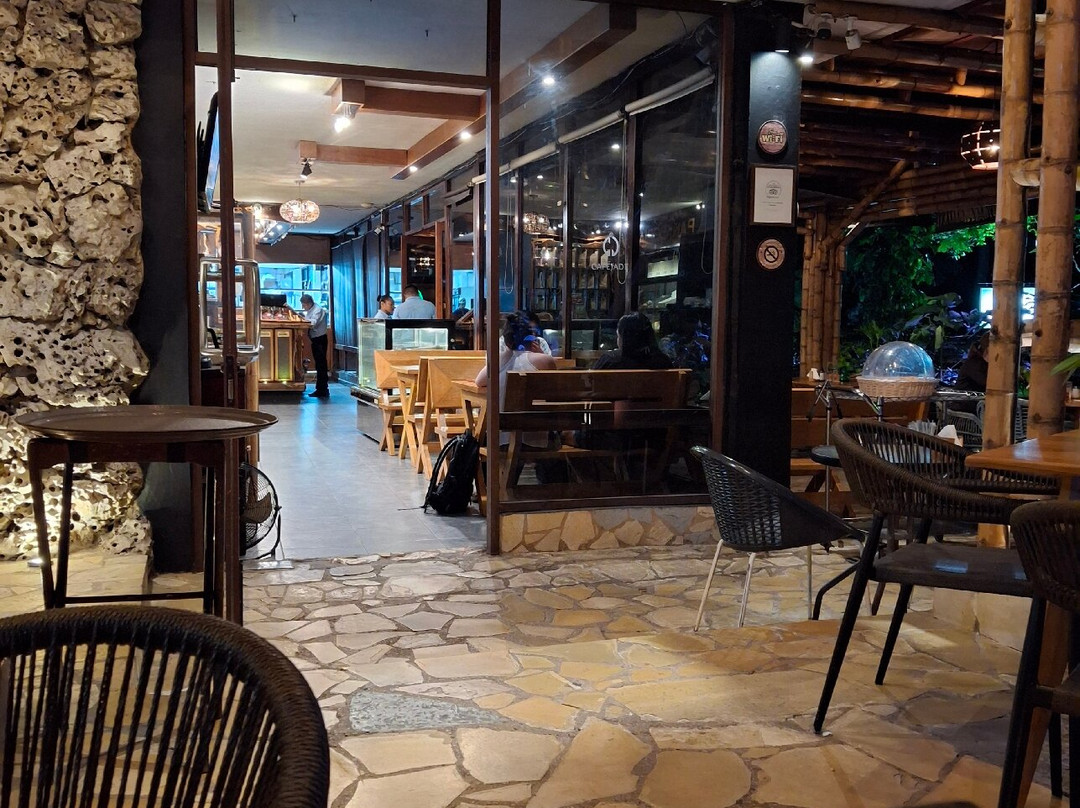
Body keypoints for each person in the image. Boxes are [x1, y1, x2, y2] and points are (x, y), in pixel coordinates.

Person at [476, 312, 557, 450]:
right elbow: (555, 391)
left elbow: (479, 381)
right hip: (536, 438)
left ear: (507, 339)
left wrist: (507, 351)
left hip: (500, 439)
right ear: (532, 337)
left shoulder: (498, 361)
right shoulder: (544, 360)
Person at [593, 311, 673, 370]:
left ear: (623, 338)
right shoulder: (663, 362)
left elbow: (590, 382)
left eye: (618, 335)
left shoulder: (609, 361)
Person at [297, 293, 329, 398]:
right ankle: (321, 388)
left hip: (320, 339)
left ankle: (322, 389)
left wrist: (303, 318)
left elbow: (312, 323)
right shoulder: (312, 310)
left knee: (321, 365)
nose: (303, 307)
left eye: (304, 305)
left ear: (309, 303)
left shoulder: (317, 310)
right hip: (315, 339)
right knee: (319, 364)